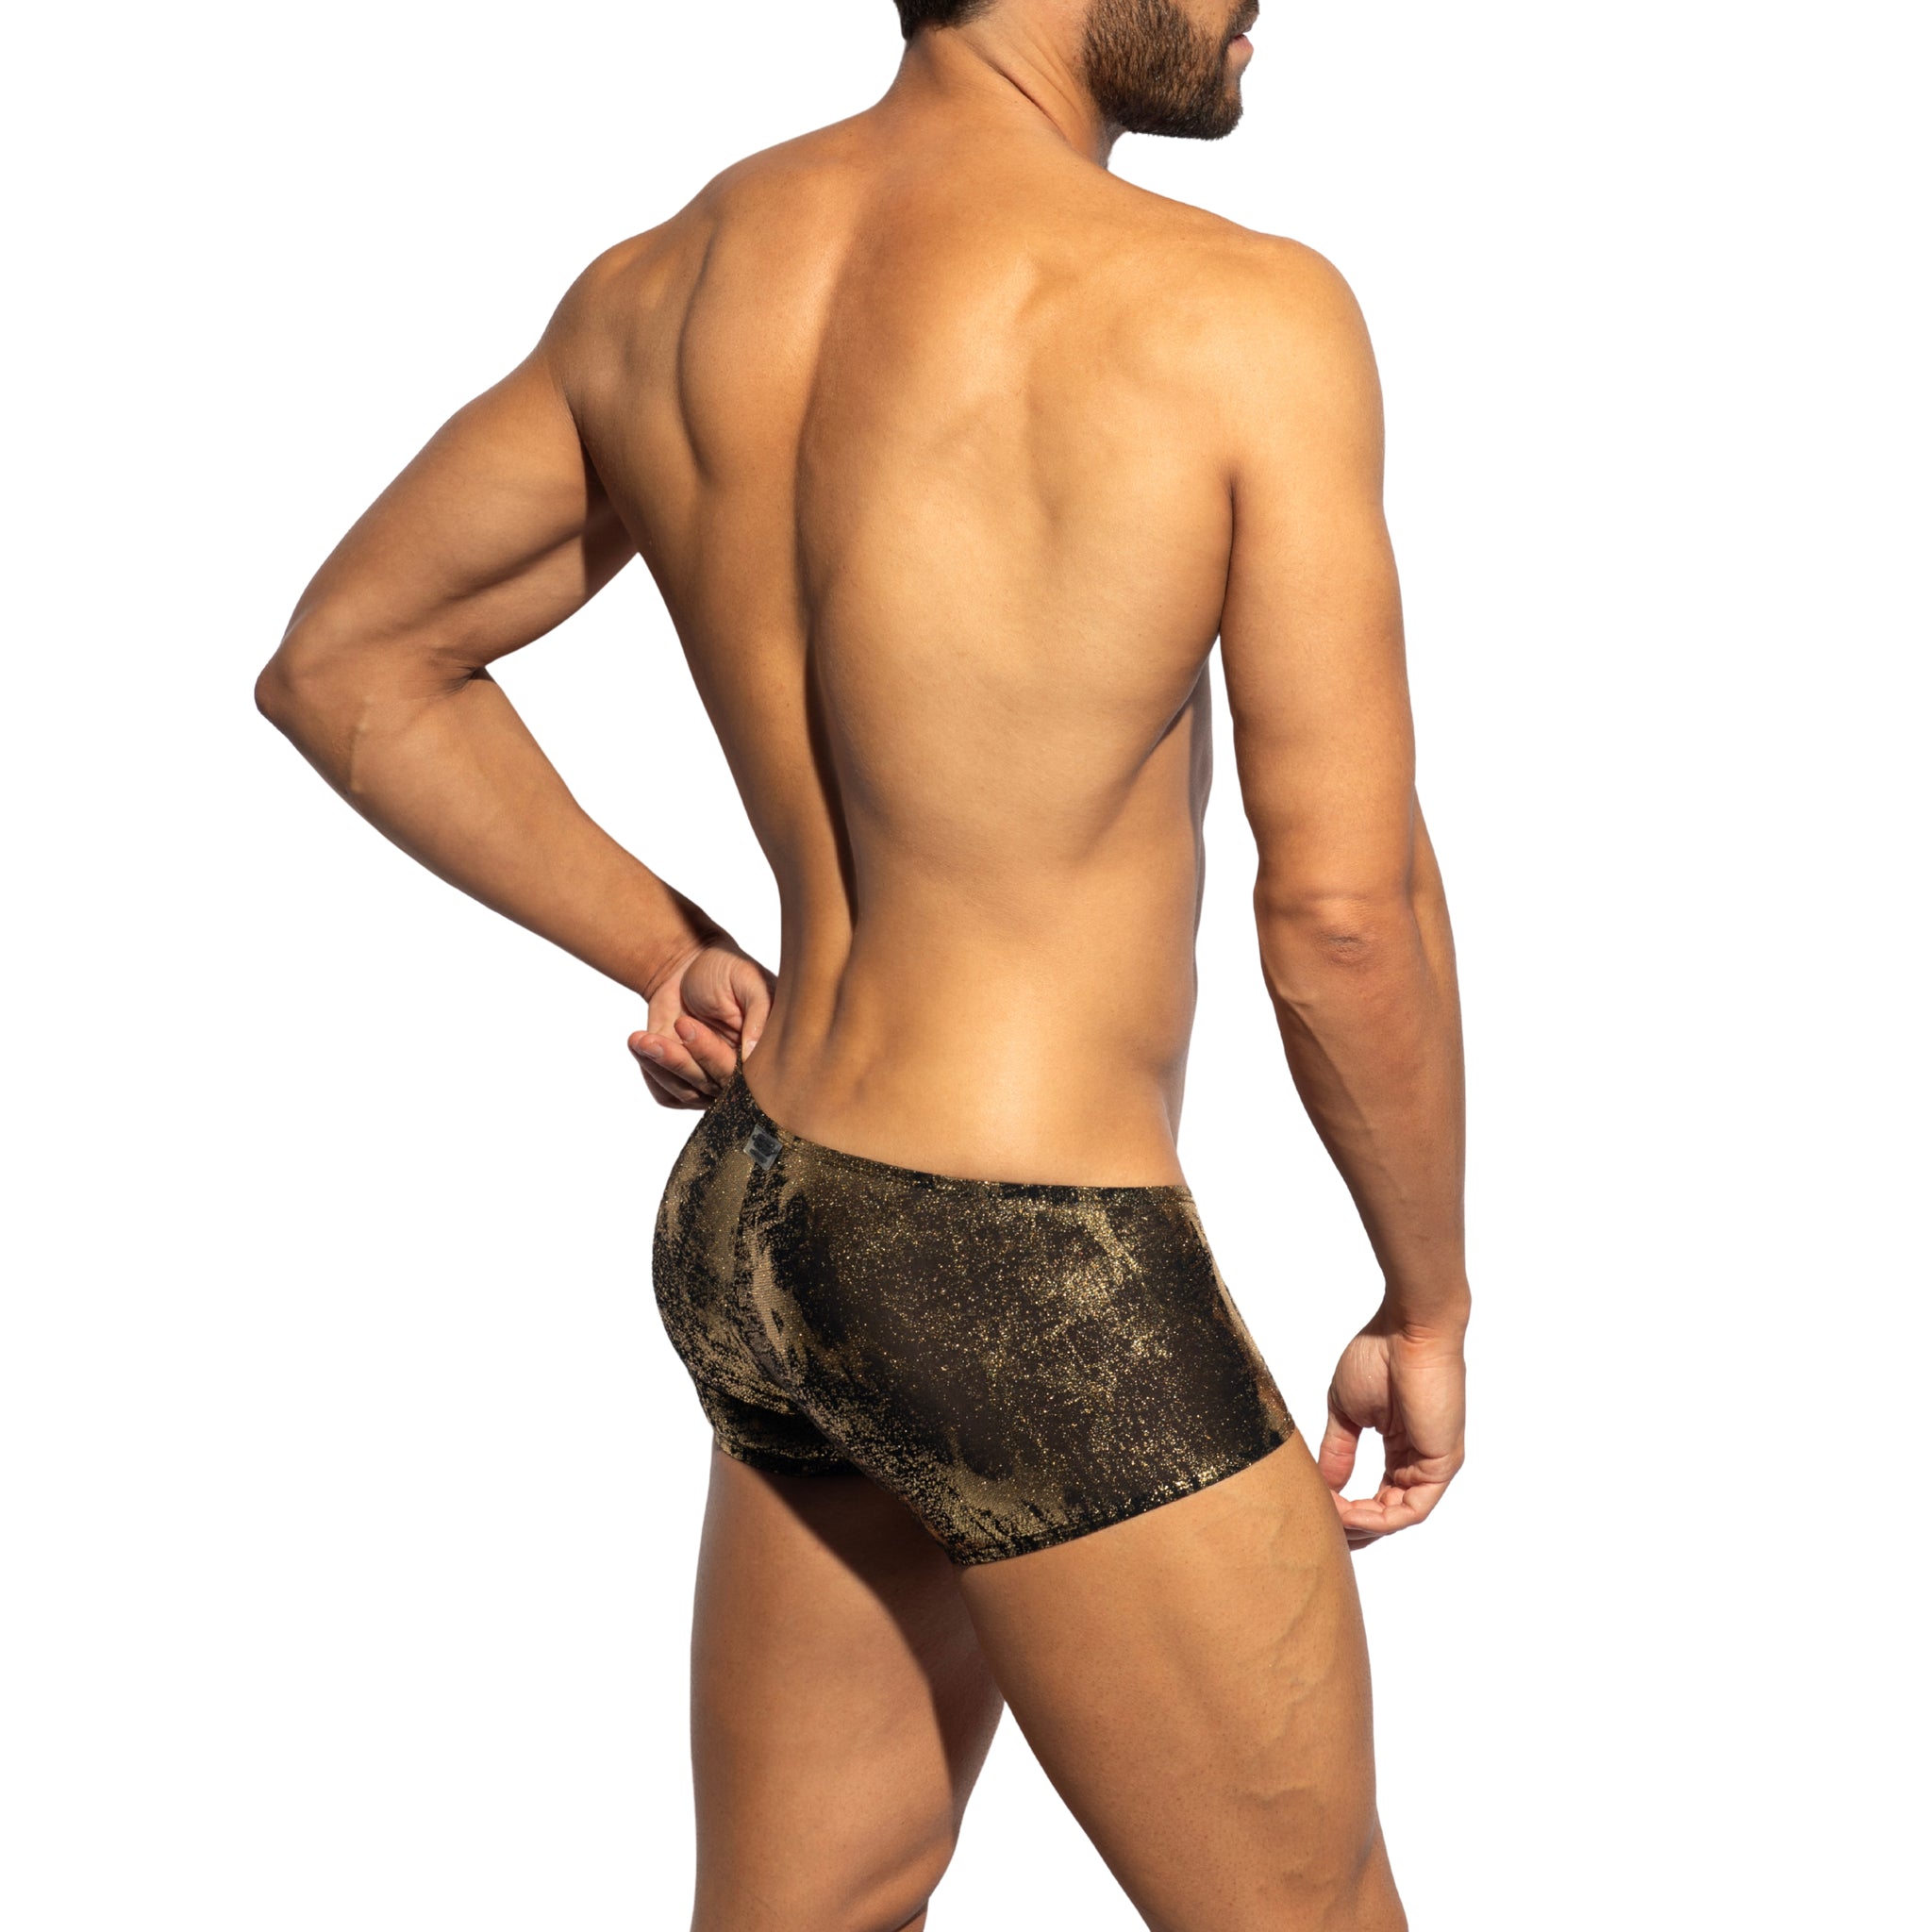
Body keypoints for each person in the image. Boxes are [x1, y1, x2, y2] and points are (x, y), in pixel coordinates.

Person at [257, 0, 1469, 1924]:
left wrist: (664, 948)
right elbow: (1343, 912)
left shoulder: (672, 281)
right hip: (1022, 1261)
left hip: (769, 1210)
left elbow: (348, 665)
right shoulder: (1236, 314)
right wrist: (1428, 1293)